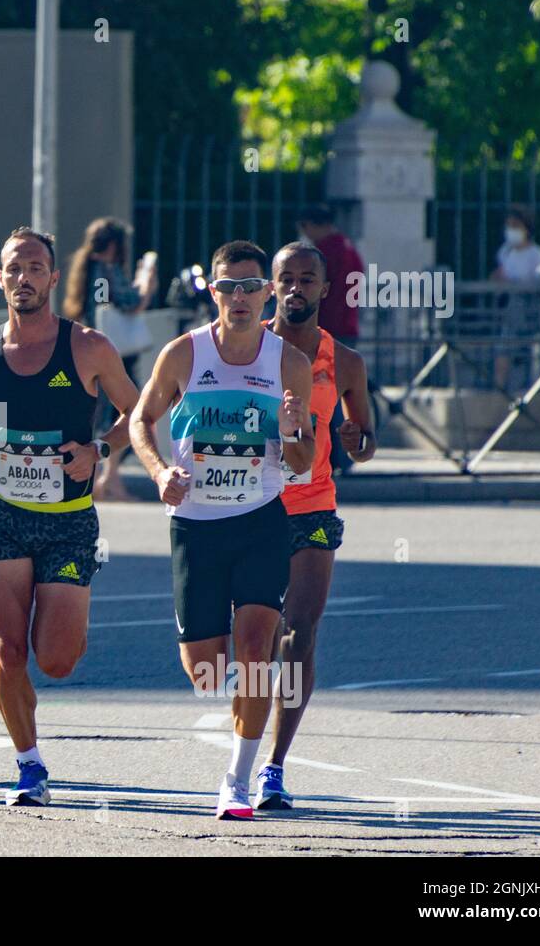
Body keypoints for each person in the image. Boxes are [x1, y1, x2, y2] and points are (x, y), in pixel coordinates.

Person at [0, 227, 141, 806]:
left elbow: (143, 411)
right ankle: (29, 765)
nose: (23, 278)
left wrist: (99, 450)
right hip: (0, 513)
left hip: (67, 520)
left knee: (55, 659)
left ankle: (68, 618)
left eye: (35, 267)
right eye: (13, 268)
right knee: (7, 649)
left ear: (53, 278)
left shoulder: (87, 347)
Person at [130, 239, 314, 820]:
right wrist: (160, 471)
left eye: (250, 286)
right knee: (206, 670)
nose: (239, 297)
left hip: (261, 519)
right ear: (213, 292)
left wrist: (290, 432)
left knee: (257, 648)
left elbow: (303, 462)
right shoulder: (184, 354)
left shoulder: (289, 363)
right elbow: (141, 417)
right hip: (196, 525)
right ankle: (229, 679)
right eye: (228, 286)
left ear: (267, 293)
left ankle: (237, 780)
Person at [257, 241, 377, 810]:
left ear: (326, 289)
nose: (296, 288)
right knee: (249, 637)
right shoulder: (244, 349)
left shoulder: (346, 362)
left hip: (311, 507)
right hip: (245, 508)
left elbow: (367, 440)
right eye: (287, 279)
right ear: (270, 285)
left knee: (298, 633)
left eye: (308, 279)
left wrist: (357, 441)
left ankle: (274, 767)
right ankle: (244, 745)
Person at [61, 217, 158, 501]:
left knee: (103, 414)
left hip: (92, 350)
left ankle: (105, 480)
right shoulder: (107, 269)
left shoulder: (86, 267)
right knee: (128, 412)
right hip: (115, 353)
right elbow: (131, 302)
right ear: (115, 244)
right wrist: (146, 281)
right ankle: (108, 480)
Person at [296, 204, 365, 473]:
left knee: (326, 395)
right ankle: (344, 454)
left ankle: (338, 456)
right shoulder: (349, 249)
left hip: (328, 329)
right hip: (347, 326)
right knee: (342, 393)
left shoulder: (323, 254)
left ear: (314, 225)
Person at [490, 205, 540, 392]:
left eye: (515, 225)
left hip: (530, 310)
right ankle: (499, 389)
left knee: (531, 352)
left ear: (526, 229)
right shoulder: (505, 252)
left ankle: (534, 390)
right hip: (510, 309)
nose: (511, 230)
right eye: (508, 226)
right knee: (503, 348)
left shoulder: (536, 254)